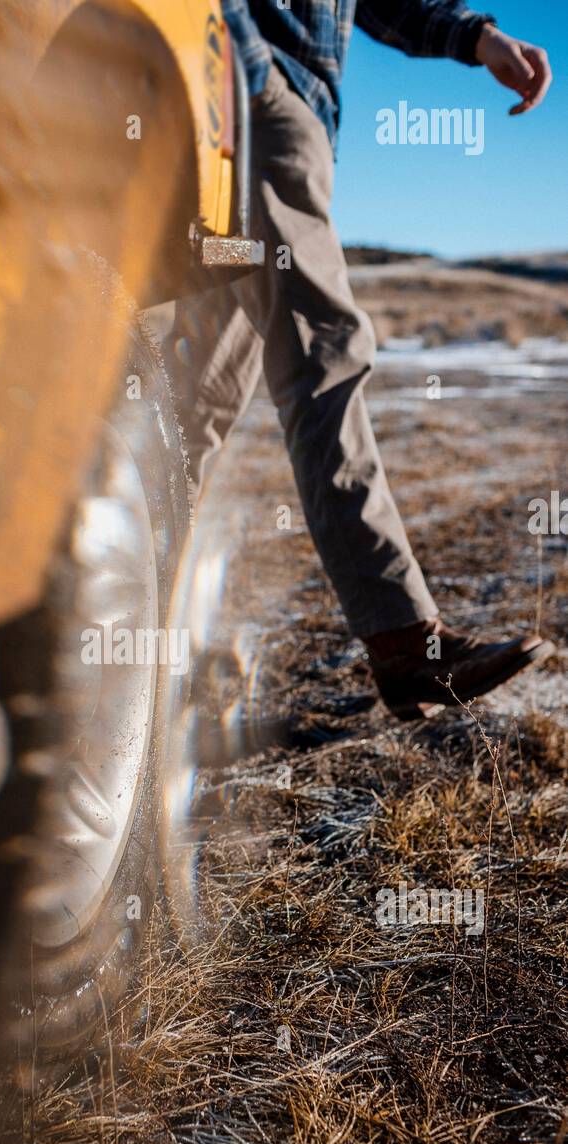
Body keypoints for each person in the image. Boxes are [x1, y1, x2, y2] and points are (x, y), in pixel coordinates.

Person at [169, 2, 554, 719]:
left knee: (192, 410)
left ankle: (119, 644)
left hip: (247, 116)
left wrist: (475, 36)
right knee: (326, 356)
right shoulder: (260, 87)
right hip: (255, 106)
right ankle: (405, 638)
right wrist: (253, 77)